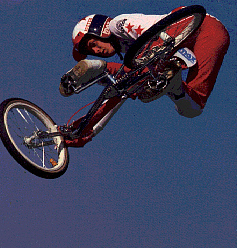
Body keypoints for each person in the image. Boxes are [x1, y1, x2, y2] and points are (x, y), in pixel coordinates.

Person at [60, 7, 230, 147]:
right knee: (192, 108)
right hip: (213, 37)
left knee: (130, 78)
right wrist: (90, 132)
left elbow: (151, 30)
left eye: (93, 44)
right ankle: (175, 84)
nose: (96, 50)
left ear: (99, 30)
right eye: (91, 52)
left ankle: (94, 67)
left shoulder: (117, 24)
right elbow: (118, 95)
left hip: (197, 24)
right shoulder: (127, 50)